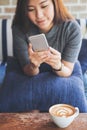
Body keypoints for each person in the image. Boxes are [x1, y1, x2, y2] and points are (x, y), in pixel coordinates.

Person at [11, 0, 87, 112]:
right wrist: (33, 65)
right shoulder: (20, 29)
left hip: (62, 69)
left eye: (44, 6)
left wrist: (57, 65)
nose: (39, 15)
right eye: (31, 9)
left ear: (55, 4)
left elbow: (67, 71)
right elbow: (28, 71)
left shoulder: (72, 28)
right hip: (29, 73)